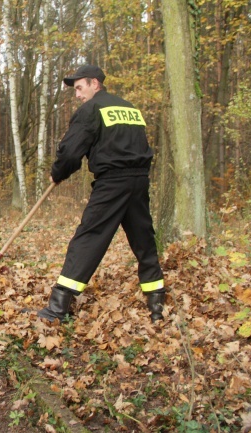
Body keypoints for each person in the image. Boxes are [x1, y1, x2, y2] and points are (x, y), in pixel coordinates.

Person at [36, 65, 166, 323]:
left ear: (95, 83)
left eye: (80, 88)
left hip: (112, 183)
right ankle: (157, 304)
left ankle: (58, 307)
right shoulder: (129, 108)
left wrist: (58, 172)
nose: (77, 95)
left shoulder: (91, 110)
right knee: (144, 240)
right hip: (139, 182)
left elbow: (72, 150)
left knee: (88, 238)